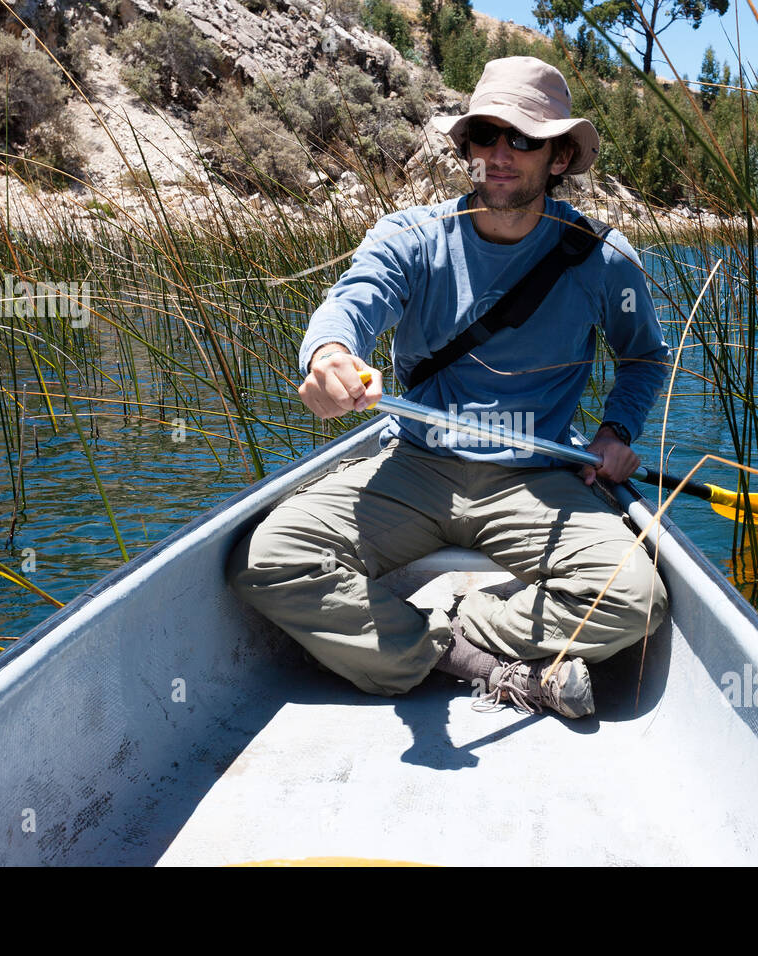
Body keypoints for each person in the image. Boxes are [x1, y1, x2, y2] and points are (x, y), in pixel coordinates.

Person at [228, 56, 670, 719]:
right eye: (486, 134)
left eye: (523, 138)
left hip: (539, 474)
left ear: (558, 156)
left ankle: (461, 624)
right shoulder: (411, 237)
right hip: (416, 465)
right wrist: (328, 354)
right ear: (467, 144)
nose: (500, 153)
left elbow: (644, 359)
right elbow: (353, 303)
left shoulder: (604, 259)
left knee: (638, 598)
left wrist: (616, 431)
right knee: (268, 560)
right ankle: (482, 665)